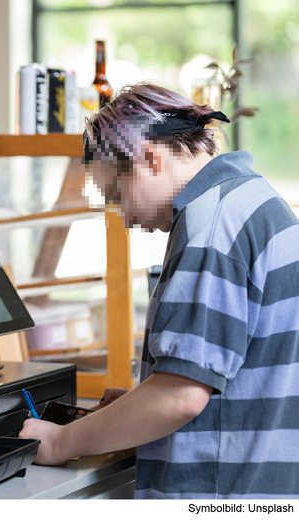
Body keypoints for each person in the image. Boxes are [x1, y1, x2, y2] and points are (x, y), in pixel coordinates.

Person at [19, 82, 299, 499]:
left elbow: (181, 397)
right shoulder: (251, 198)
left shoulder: (211, 227)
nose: (126, 218)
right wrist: (139, 405)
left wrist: (60, 442)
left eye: (118, 194)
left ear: (150, 158)